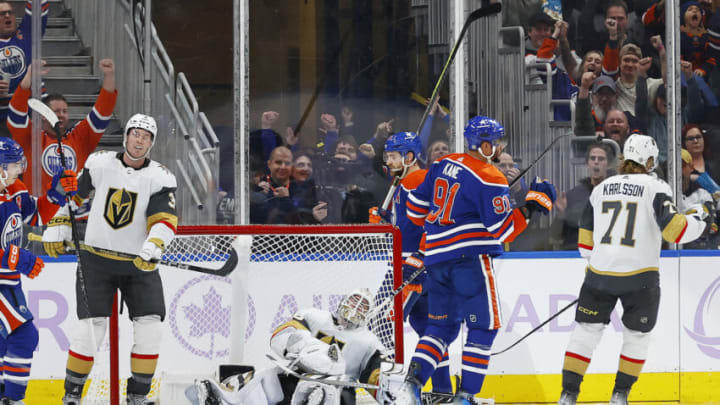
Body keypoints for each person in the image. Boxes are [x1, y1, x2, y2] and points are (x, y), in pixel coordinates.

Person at [395, 116, 557, 404]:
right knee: (484, 327)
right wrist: (531, 206)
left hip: (435, 261)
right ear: (482, 144)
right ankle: (465, 396)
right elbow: (504, 230)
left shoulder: (444, 163)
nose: (497, 147)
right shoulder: (491, 177)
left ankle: (410, 388)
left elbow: (415, 211)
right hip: (468, 262)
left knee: (441, 328)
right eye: (495, 142)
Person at [557, 134, 710, 405]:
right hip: (641, 279)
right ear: (649, 160)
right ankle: (620, 395)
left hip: (598, 278)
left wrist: (598, 269)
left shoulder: (601, 188)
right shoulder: (655, 186)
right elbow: (675, 231)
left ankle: (568, 395)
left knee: (585, 334)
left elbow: (584, 242)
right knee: (637, 337)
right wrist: (702, 217)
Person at [41, 114, 178, 405]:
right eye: (135, 134)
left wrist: (154, 244)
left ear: (151, 143)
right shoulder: (100, 163)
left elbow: (164, 219)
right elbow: (73, 197)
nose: (139, 140)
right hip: (96, 262)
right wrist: (59, 224)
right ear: (126, 136)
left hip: (139, 265)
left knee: (150, 331)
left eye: (146, 136)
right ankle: (72, 396)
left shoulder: (160, 177)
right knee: (89, 331)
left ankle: (137, 398)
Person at [188, 289, 388, 405]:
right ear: (343, 301)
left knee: (325, 392)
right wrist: (308, 349)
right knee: (268, 376)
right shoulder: (314, 316)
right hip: (296, 377)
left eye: (362, 307)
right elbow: (280, 335)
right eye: (353, 302)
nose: (354, 308)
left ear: (367, 315)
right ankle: (229, 400)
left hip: (339, 392)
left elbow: (378, 379)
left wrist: (391, 389)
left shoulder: (369, 342)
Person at [369, 132, 454, 400]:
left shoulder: (418, 179)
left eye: (393, 156)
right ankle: (441, 391)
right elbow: (408, 227)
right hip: (420, 266)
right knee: (429, 331)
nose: (388, 161)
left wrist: (420, 255)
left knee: (381, 324)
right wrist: (387, 222)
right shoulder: (405, 181)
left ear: (408, 157)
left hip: (413, 266)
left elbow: (437, 223)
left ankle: (388, 389)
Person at [0, 138, 75, 405]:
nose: (20, 169)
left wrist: (56, 194)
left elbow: (37, 216)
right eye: (13, 164)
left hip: (8, 283)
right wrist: (17, 257)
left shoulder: (15, 190)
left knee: (23, 336)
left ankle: (11, 399)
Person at [7, 59, 117, 195]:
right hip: (40, 210)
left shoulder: (79, 139)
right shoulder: (32, 139)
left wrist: (109, 76)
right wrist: (27, 80)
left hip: (73, 211)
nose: (61, 115)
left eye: (65, 111)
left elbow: (103, 112)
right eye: (56, 111)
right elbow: (15, 114)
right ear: (43, 115)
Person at [0, 0, 49, 137]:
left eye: (10, 12)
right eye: (2, 14)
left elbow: (38, 6)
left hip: (31, 111)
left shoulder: (26, 35)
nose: (7, 16)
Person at [552, 143, 613, 250]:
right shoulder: (573, 195)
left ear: (608, 164)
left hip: (607, 251)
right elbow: (556, 235)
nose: (596, 162)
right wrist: (561, 214)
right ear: (587, 163)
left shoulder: (615, 192)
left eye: (601, 159)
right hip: (576, 252)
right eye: (592, 158)